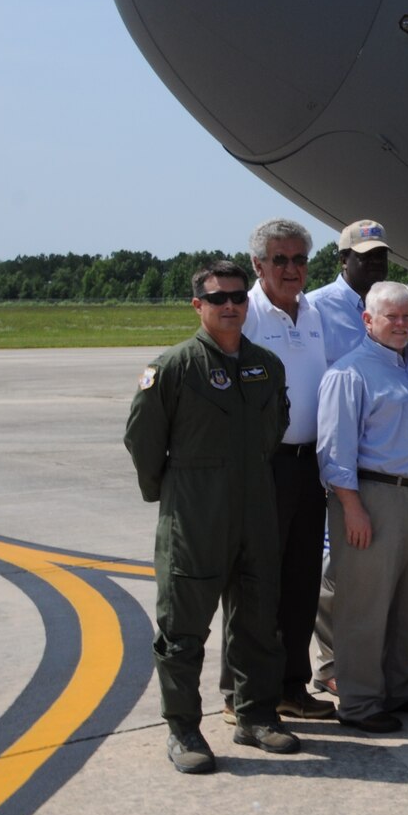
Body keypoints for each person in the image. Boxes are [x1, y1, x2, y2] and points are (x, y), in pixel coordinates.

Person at [125, 261, 299, 773]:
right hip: (195, 516)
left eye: (238, 297)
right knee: (182, 629)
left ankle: (256, 716)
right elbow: (143, 439)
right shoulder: (173, 367)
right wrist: (170, 492)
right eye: (218, 297)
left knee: (259, 622)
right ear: (197, 305)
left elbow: (276, 427)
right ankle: (183, 729)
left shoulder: (266, 365)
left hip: (256, 511)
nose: (230, 306)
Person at [317, 281, 408, 734]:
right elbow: (334, 452)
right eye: (391, 316)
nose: (401, 324)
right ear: (367, 320)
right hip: (374, 497)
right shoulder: (350, 373)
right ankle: (360, 701)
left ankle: (399, 685)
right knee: (365, 605)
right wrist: (351, 507)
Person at [227, 219, 333, 724]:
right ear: (258, 265)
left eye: (299, 260)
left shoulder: (312, 312)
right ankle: (239, 692)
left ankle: (292, 687)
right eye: (280, 260)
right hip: (264, 467)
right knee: (254, 584)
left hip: (309, 466)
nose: (292, 270)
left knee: (301, 582)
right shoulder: (246, 313)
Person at [309, 219, 396, 364]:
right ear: (344, 260)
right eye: (366, 255)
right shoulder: (314, 308)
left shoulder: (395, 307)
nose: (376, 261)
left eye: (381, 255)